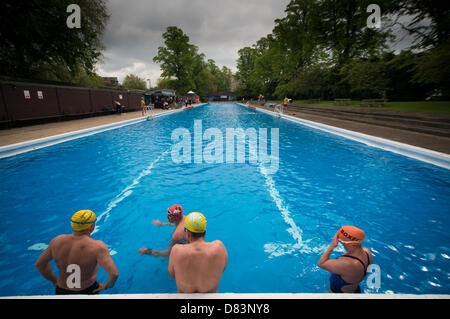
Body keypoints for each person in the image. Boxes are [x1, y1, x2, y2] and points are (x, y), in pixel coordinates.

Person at [34, 210, 119, 295]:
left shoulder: (57, 241)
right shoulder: (97, 247)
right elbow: (114, 273)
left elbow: (40, 264)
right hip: (88, 290)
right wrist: (107, 286)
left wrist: (54, 281)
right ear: (91, 226)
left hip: (62, 290)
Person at [168, 212, 228, 293]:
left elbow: (172, 274)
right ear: (204, 231)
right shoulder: (219, 248)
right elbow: (222, 268)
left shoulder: (176, 250)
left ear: (188, 233)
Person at [318, 225, 373, 293]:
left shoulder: (348, 264)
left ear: (349, 244)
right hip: (355, 290)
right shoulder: (367, 252)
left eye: (340, 240)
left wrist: (332, 246)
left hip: (340, 294)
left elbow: (321, 263)